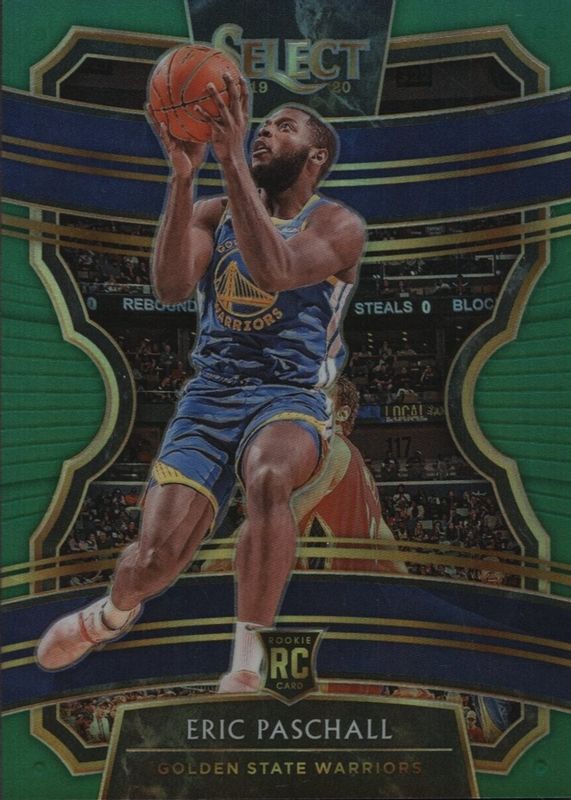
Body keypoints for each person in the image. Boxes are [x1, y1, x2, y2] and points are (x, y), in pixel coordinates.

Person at [36, 74, 366, 694]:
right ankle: (107, 616)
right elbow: (170, 287)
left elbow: (276, 270)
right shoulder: (214, 213)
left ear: (316, 155)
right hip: (210, 396)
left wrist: (231, 158)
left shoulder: (338, 224)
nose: (264, 132)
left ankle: (246, 661)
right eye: (262, 125)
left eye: (283, 127)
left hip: (289, 394)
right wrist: (184, 179)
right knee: (153, 562)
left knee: (268, 476)